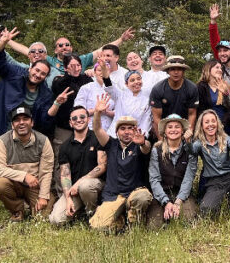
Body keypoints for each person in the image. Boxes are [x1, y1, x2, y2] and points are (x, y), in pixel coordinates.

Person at [0, 28, 53, 213]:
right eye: (36, 70)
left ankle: (16, 196)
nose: (38, 75)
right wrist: (2, 43)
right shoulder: (15, 73)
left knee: (11, 163)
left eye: (43, 74)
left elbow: (43, 118)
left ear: (46, 76)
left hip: (16, 128)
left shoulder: (44, 93)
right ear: (31, 67)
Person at [88, 94, 153, 232]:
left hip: (134, 193)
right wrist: (98, 113)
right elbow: (98, 129)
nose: (127, 132)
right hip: (114, 195)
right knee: (97, 227)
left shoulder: (139, 145)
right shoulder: (111, 144)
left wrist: (142, 142)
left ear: (135, 130)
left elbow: (146, 148)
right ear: (117, 132)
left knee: (143, 196)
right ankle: (120, 220)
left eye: (130, 128)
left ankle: (133, 223)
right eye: (123, 129)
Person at [5, 28, 134, 87]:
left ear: (71, 48)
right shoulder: (49, 60)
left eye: (67, 45)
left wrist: (121, 39)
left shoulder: (81, 60)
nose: (64, 47)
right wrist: (6, 41)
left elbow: (101, 50)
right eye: (60, 45)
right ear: (55, 50)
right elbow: (27, 51)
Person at [0, 106, 54, 221]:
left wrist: (43, 196)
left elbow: (46, 172)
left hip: (35, 186)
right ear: (12, 125)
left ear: (32, 122)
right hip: (14, 184)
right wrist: (24, 176)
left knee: (42, 218)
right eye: (17, 120)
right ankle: (17, 210)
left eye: (25, 119)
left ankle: (31, 206)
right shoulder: (3, 141)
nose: (21, 123)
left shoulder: (43, 141)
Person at [49, 105, 106, 226]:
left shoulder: (97, 138)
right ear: (70, 123)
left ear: (88, 119)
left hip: (96, 185)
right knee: (56, 219)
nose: (78, 120)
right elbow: (65, 175)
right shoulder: (65, 146)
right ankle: (79, 212)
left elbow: (102, 166)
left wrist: (80, 181)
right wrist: (68, 198)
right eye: (74, 118)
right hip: (75, 190)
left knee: (85, 186)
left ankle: (92, 215)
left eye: (82, 117)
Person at [190, 110, 230, 215]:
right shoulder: (199, 143)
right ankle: (226, 199)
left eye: (213, 121)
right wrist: (187, 142)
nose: (210, 124)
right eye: (207, 122)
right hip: (215, 182)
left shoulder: (225, 138)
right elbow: (191, 151)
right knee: (206, 209)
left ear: (217, 123)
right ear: (202, 126)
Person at [147, 114, 198, 229]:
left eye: (177, 127)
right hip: (162, 194)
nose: (173, 130)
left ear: (182, 131)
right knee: (154, 227)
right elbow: (154, 180)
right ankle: (167, 211)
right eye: (170, 127)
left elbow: (188, 179)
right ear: (165, 131)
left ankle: (175, 211)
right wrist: (166, 202)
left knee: (188, 222)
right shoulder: (156, 150)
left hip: (182, 194)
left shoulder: (190, 150)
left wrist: (178, 201)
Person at [46, 53, 91, 166]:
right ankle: (59, 184)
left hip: (82, 126)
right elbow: (58, 86)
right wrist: (68, 75)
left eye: (78, 65)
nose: (76, 68)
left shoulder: (87, 80)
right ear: (65, 68)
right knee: (61, 158)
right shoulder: (59, 81)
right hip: (64, 127)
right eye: (71, 65)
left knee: (83, 158)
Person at [149, 56, 199, 139]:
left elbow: (192, 114)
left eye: (179, 69)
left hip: (184, 129)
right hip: (164, 130)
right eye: (172, 69)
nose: (176, 72)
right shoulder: (158, 89)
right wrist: (161, 140)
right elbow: (157, 118)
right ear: (168, 71)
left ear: (183, 71)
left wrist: (188, 136)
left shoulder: (192, 88)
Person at [104, 67, 153, 136]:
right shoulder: (120, 95)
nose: (136, 82)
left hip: (134, 137)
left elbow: (146, 122)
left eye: (138, 79)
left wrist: (141, 137)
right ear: (126, 84)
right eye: (132, 80)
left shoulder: (146, 101)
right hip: (115, 135)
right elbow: (109, 86)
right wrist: (104, 70)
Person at [196, 60, 230, 134]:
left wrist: (222, 124)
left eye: (221, 68)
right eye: (217, 67)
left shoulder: (226, 86)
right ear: (208, 69)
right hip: (208, 128)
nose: (220, 70)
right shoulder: (201, 87)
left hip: (226, 128)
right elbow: (200, 110)